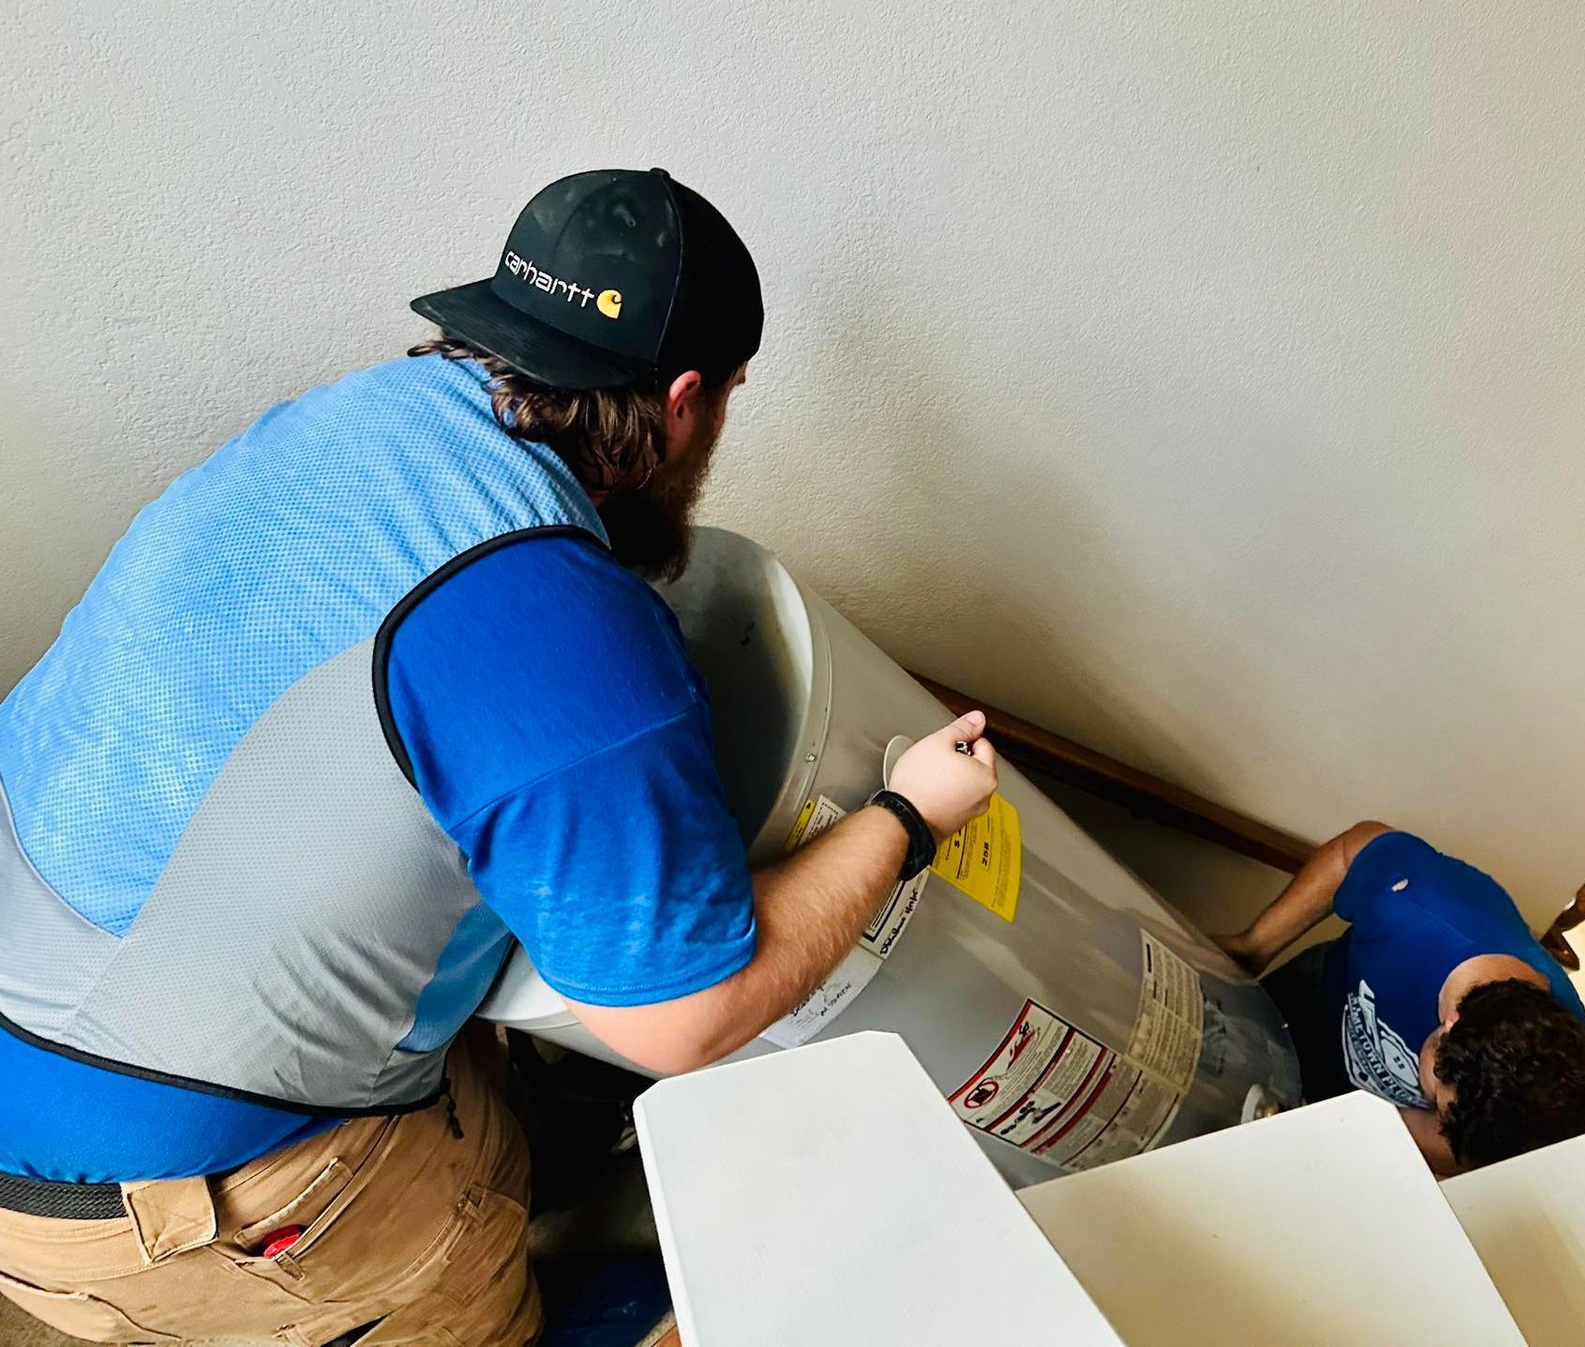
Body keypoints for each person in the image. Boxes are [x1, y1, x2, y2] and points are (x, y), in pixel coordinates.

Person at [0, 168, 998, 1346]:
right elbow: (684, 1021)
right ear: (687, 399)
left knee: (515, 1089)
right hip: (184, 1199)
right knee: (472, 1297)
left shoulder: (352, 421)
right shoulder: (551, 621)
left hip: (63, 1021)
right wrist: (908, 816)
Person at [1216, 823, 1585, 1175]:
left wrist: (1338, 1129)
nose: (1434, 1117)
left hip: (1352, 1120)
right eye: (1437, 1103)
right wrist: (1254, 947)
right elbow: (1352, 852)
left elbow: (1464, 1148)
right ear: (1450, 1024)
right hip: (1311, 1002)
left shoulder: (1557, 1070)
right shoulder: (1419, 907)